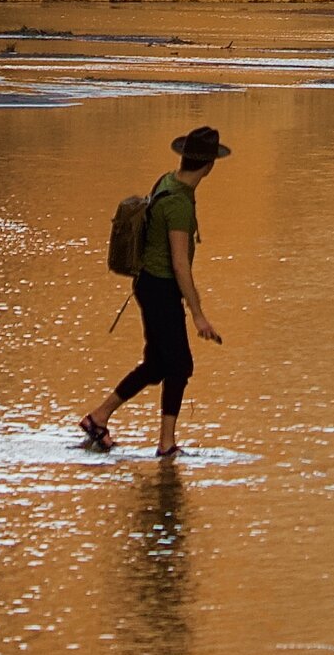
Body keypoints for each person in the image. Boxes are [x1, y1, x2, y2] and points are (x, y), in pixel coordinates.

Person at [77, 125, 229, 459]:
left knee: (158, 364)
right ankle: (166, 444)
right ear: (209, 166)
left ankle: (98, 418)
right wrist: (198, 314)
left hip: (148, 284)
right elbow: (179, 264)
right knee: (180, 366)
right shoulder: (180, 205)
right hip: (160, 288)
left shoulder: (167, 181)